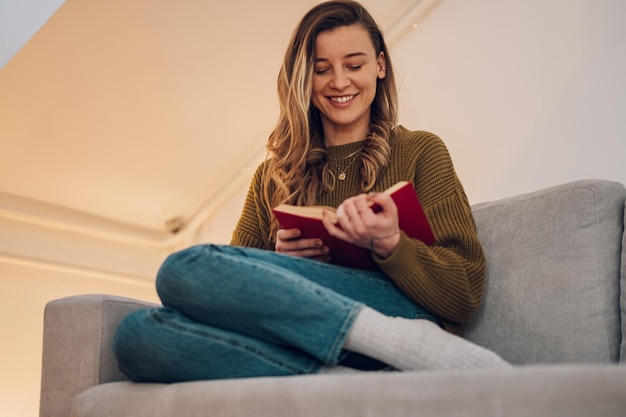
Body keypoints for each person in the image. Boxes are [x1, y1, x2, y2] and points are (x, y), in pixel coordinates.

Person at [113, 0, 509, 383]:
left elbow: (464, 292)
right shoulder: (271, 176)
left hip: (398, 317)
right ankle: (338, 382)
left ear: (381, 66)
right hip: (311, 345)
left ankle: (399, 342)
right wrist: (282, 263)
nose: (339, 82)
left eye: (354, 64)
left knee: (181, 268)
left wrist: (390, 243)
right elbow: (223, 292)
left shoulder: (420, 151)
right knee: (136, 337)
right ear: (304, 78)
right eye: (322, 70)